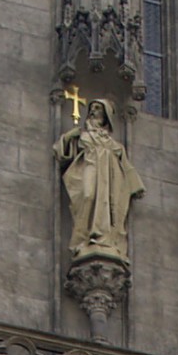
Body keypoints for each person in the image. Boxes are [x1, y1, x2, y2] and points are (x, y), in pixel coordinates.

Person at [55, 98, 143, 260]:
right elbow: (63, 150)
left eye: (98, 108)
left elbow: (126, 165)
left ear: (105, 116)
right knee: (88, 196)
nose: (94, 111)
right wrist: (69, 137)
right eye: (92, 108)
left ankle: (104, 237)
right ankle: (83, 238)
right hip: (89, 167)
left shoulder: (112, 143)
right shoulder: (83, 135)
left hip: (109, 178)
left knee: (107, 205)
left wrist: (136, 186)